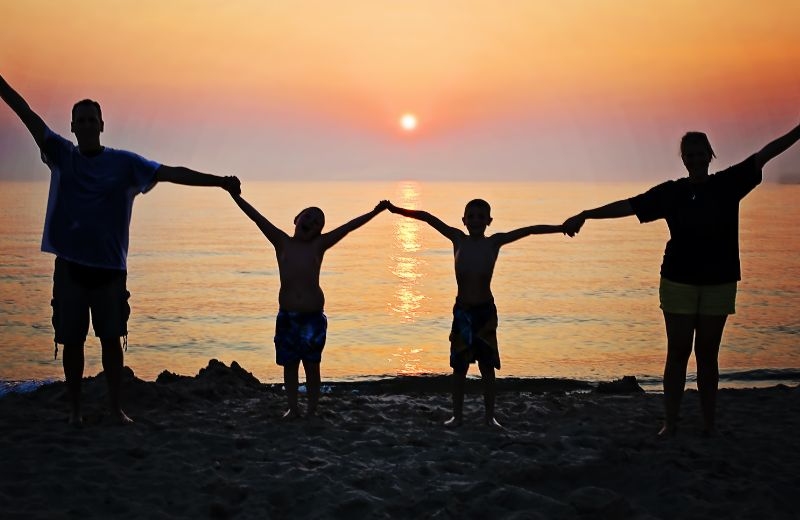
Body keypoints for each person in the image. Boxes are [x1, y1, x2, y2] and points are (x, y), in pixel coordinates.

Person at [0, 73, 241, 425]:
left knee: (111, 340)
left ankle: (115, 409)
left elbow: (172, 172)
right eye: (80, 120)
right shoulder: (61, 155)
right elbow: (26, 113)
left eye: (91, 119)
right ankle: (75, 412)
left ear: (101, 125)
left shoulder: (126, 164)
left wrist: (219, 182)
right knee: (72, 342)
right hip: (70, 268)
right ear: (72, 127)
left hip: (110, 269)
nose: (86, 125)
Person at [564, 122, 800, 436]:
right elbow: (630, 205)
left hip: (719, 280)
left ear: (710, 155)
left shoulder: (728, 183)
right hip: (678, 280)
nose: (696, 159)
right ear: (684, 159)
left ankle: (709, 424)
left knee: (707, 354)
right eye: (690, 155)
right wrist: (586, 214)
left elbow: (765, 154)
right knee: (677, 352)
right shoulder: (671, 192)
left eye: (701, 153)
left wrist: (798, 131)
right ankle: (671, 423)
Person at [386, 198, 572, 427]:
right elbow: (427, 217)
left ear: (489, 221)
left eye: (481, 217)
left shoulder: (494, 242)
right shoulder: (457, 238)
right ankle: (457, 416)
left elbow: (529, 230)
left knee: (487, 367)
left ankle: (489, 417)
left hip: (485, 312)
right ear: (463, 220)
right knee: (459, 368)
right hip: (463, 312)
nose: (476, 220)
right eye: (471, 216)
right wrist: (395, 209)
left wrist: (561, 228)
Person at [230, 192, 388, 418]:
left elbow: (348, 227)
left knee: (312, 366)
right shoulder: (281, 241)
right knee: (290, 365)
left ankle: (312, 409)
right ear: (296, 218)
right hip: (288, 317)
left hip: (313, 318)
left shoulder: (318, 245)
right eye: (308, 216)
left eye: (317, 223)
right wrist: (234, 194)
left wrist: (375, 212)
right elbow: (256, 217)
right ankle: (293, 408)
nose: (311, 222)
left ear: (319, 232)